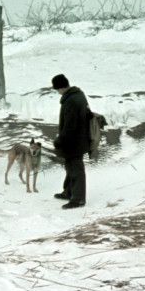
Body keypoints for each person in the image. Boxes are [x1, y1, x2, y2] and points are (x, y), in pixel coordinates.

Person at [51, 74, 90, 209]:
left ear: (61, 87)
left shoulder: (71, 100)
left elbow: (69, 125)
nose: (58, 92)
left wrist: (60, 141)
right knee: (70, 166)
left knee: (76, 168)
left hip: (74, 141)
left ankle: (78, 198)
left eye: (57, 89)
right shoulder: (78, 95)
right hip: (79, 139)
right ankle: (68, 192)